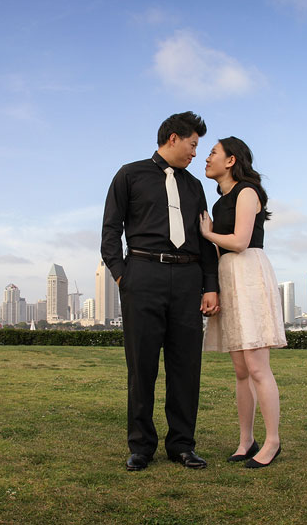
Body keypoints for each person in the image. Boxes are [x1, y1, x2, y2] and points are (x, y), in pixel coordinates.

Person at [101, 111, 220, 472]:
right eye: (193, 144)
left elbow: (204, 240)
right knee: (142, 367)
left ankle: (182, 445)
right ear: (173, 138)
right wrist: (123, 276)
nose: (196, 153)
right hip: (143, 275)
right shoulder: (129, 175)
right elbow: (110, 230)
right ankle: (141, 447)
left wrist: (210, 286)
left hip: (187, 279)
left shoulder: (194, 186)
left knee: (186, 367)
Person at [200, 136, 286, 468]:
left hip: (249, 273)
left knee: (257, 366)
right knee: (240, 370)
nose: (206, 158)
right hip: (228, 278)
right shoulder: (220, 201)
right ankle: (246, 440)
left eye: (212, 153)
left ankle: (273, 441)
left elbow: (239, 241)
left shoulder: (247, 192)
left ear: (231, 160)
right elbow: (222, 252)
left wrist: (207, 234)